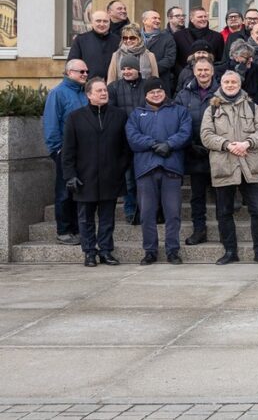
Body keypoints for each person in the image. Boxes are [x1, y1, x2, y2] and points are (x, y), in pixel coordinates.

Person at [200, 70, 258, 265]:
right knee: (224, 211)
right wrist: (227, 145)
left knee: (257, 210)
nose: (230, 85)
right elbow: (206, 135)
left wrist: (247, 143)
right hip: (224, 165)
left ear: (240, 84)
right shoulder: (211, 108)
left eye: (234, 82)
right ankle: (230, 251)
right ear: (220, 84)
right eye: (227, 82)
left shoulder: (251, 106)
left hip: (249, 164)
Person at [62, 78, 130, 267]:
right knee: (85, 219)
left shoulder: (119, 115)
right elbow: (68, 150)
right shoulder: (75, 118)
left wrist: (119, 168)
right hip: (84, 177)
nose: (103, 93)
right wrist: (70, 175)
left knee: (108, 218)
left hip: (111, 177)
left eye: (105, 90)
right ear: (89, 95)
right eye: (99, 90)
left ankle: (106, 251)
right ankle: (89, 252)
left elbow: (126, 148)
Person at [126, 78, 192, 265]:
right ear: (145, 95)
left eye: (159, 91)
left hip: (171, 168)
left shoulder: (179, 111)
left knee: (173, 213)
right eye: (152, 92)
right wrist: (153, 144)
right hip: (146, 169)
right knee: (147, 213)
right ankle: (150, 251)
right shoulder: (136, 115)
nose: (156, 94)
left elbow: (185, 133)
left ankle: (172, 250)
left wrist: (169, 144)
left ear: (165, 92)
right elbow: (132, 138)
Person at [172, 57, 219, 246]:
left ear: (213, 71)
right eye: (199, 70)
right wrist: (189, 144)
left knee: (222, 195)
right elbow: (176, 120)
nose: (203, 73)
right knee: (197, 196)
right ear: (194, 71)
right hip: (194, 152)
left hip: (218, 152)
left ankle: (225, 230)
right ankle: (199, 230)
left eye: (206, 70)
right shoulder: (184, 95)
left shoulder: (222, 91)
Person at [43, 59, 89, 244]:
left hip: (84, 152)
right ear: (69, 73)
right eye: (81, 71)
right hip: (65, 152)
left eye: (86, 71)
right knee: (64, 192)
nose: (85, 74)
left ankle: (77, 229)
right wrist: (57, 149)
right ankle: (63, 230)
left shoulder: (84, 94)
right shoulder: (58, 94)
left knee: (79, 191)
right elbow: (51, 124)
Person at [108, 55, 145, 224]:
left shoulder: (147, 86)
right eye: (123, 69)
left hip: (145, 139)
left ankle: (147, 210)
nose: (126, 71)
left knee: (146, 178)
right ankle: (131, 211)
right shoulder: (114, 88)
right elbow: (112, 114)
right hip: (124, 140)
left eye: (129, 68)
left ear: (137, 68)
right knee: (129, 180)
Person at [68, 9, 119, 80]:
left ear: (109, 23)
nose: (102, 24)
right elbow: (72, 64)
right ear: (92, 22)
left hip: (112, 85)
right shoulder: (81, 40)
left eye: (105, 21)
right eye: (98, 21)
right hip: (87, 85)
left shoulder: (117, 40)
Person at [141, 10, 177, 95]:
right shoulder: (135, 37)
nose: (158, 21)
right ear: (144, 21)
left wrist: (149, 69)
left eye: (159, 18)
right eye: (154, 18)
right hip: (139, 82)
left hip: (160, 82)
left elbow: (169, 59)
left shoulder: (168, 38)